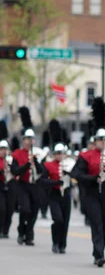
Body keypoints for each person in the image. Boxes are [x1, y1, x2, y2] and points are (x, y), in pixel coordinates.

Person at [72, 97, 105, 267]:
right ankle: (99, 254)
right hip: (92, 194)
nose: (103, 142)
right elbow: (76, 173)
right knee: (97, 223)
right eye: (100, 139)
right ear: (95, 140)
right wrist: (92, 179)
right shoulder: (86, 155)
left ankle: (99, 250)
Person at [10, 107, 46, 246]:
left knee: (34, 211)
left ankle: (29, 235)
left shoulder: (38, 153)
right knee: (25, 208)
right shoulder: (17, 154)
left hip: (35, 185)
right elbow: (15, 171)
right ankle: (21, 230)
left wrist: (35, 162)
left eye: (31, 139)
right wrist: (27, 165)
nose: (29, 141)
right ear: (23, 140)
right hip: (22, 184)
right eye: (27, 139)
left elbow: (42, 171)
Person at [42, 121, 75, 254]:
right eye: (57, 153)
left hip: (66, 195)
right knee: (58, 219)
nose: (60, 155)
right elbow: (43, 180)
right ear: (54, 154)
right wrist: (56, 182)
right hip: (54, 195)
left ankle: (62, 245)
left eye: (62, 153)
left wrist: (70, 178)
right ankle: (55, 242)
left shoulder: (69, 164)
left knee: (65, 221)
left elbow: (75, 177)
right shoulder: (49, 165)